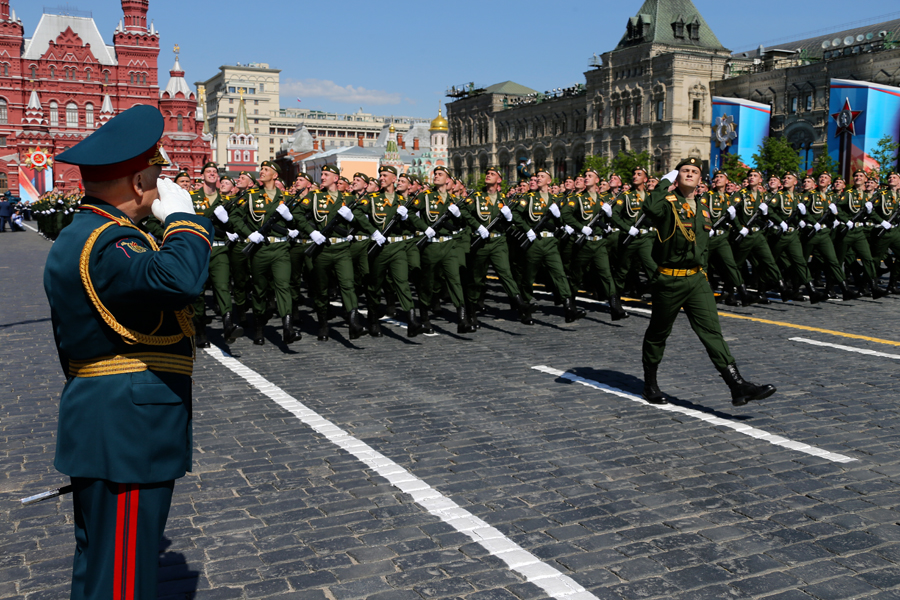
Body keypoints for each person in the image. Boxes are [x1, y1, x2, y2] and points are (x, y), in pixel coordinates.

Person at [44, 105, 212, 599]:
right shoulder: (107, 239)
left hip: (109, 421)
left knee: (102, 567)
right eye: (158, 177)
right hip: (126, 429)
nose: (162, 188)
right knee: (119, 579)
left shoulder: (86, 232)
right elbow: (178, 279)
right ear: (139, 182)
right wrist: (183, 219)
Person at [639, 157, 775, 407]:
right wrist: (662, 183)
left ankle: (737, 385)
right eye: (684, 171)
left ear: (701, 180)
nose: (689, 174)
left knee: (712, 332)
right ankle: (650, 383)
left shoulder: (703, 208)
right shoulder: (668, 204)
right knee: (659, 333)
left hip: (696, 279)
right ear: (677, 177)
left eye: (694, 171)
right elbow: (649, 209)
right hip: (670, 278)